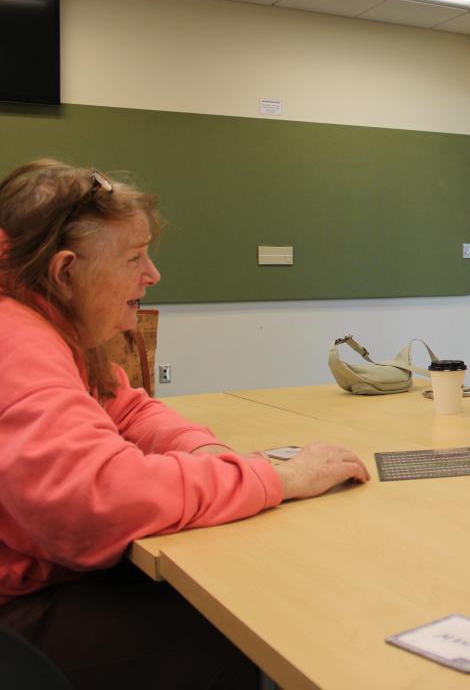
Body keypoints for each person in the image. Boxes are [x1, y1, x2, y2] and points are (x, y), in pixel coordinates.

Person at [0, 159, 371, 688]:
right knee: (240, 628)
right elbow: (97, 505)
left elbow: (125, 406)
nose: (152, 275)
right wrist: (275, 478)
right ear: (64, 272)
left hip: (32, 581)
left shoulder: (38, 318)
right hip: (15, 618)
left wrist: (203, 452)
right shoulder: (20, 346)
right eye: (133, 258)